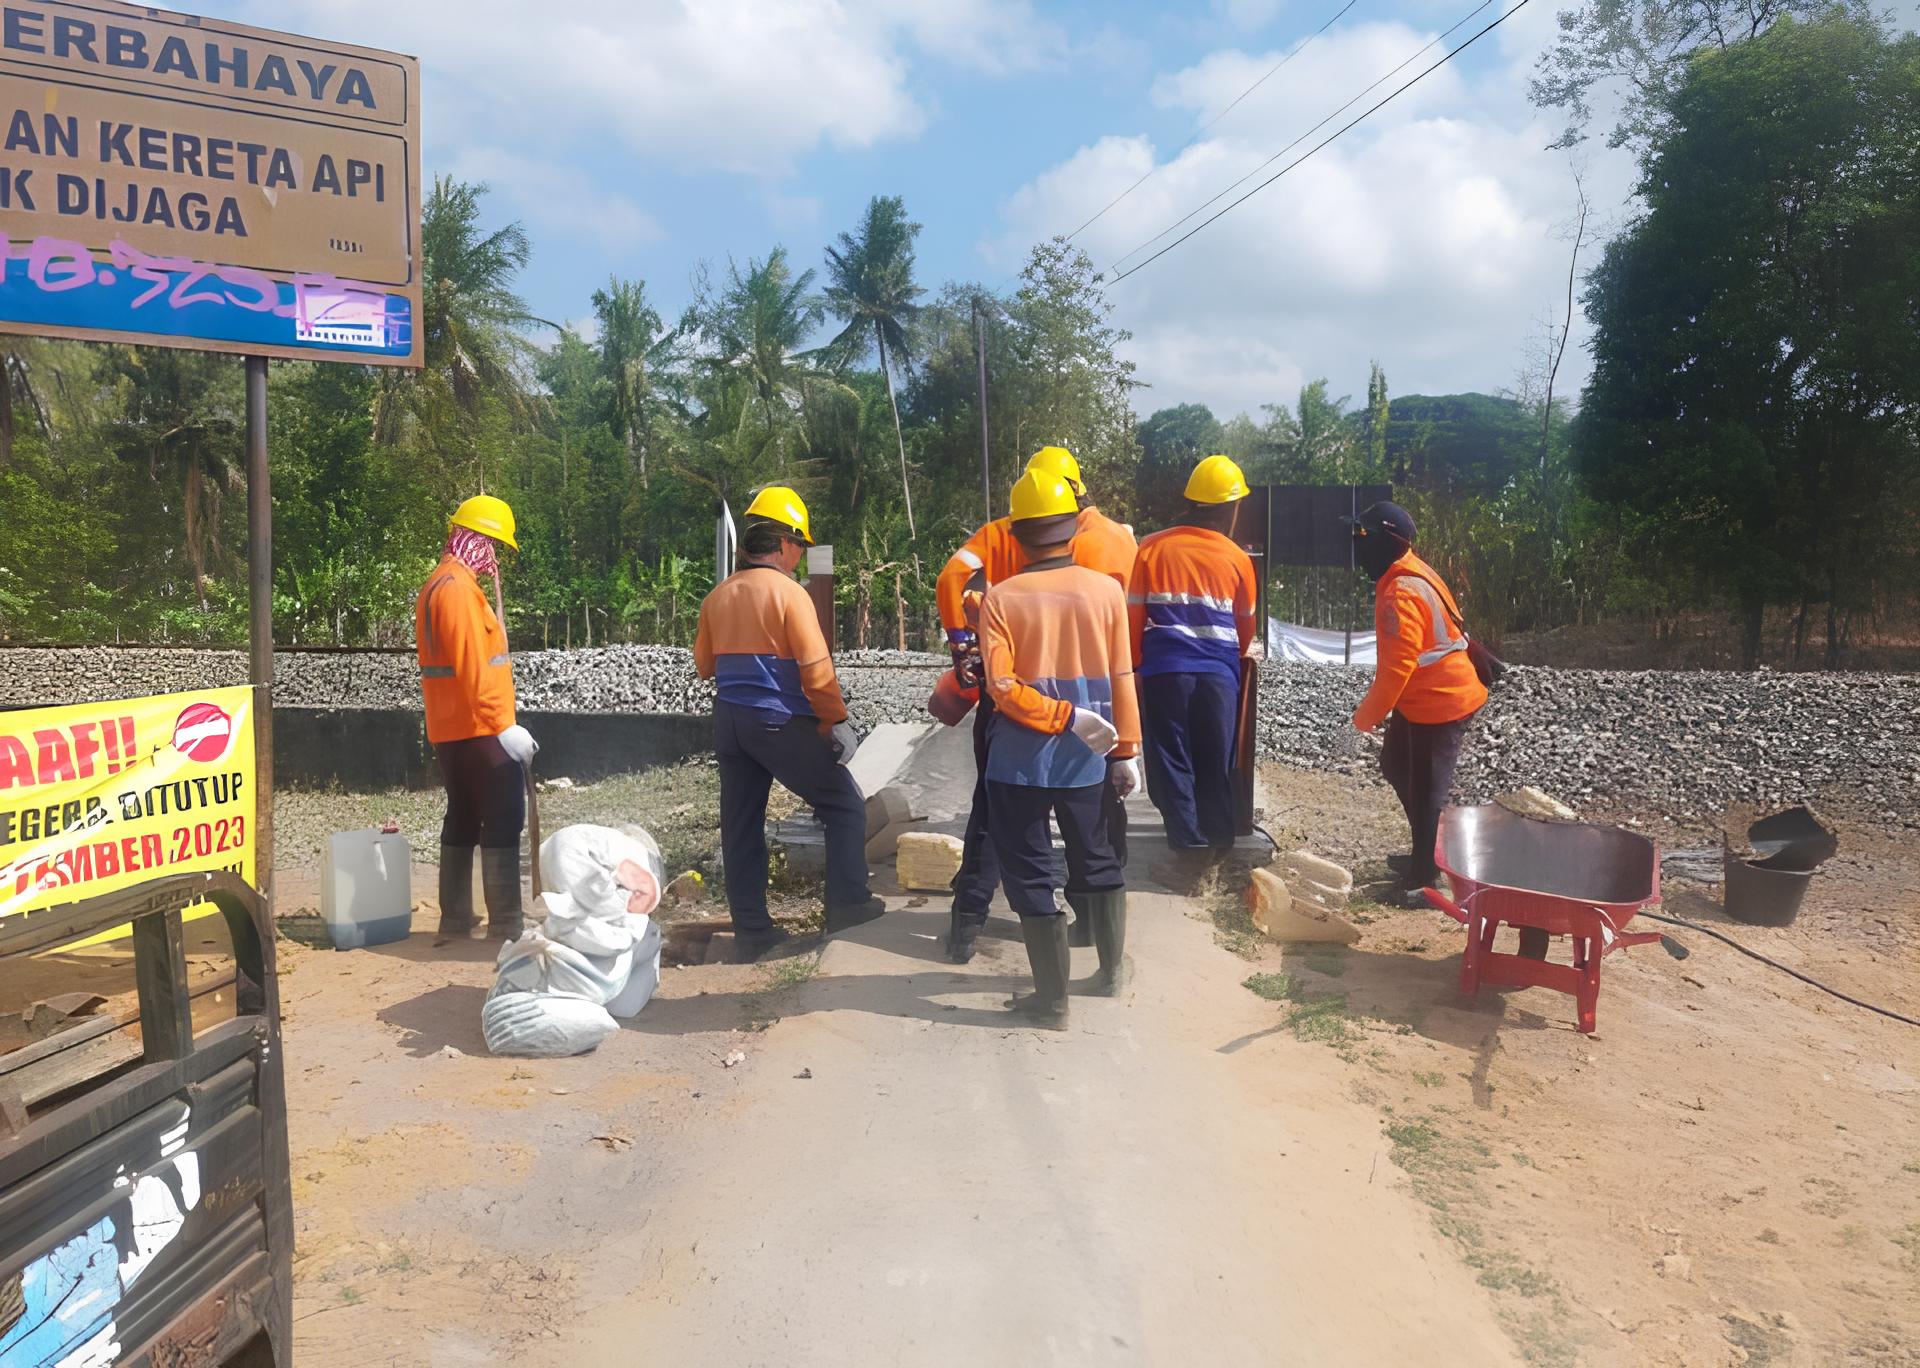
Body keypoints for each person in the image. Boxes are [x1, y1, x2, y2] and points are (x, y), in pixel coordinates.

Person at [935, 446, 1137, 963]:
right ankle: (1097, 941)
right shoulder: (1111, 544)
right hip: (1093, 721)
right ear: (1076, 503)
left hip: (1016, 717)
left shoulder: (999, 545)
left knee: (1000, 826)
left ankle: (967, 928)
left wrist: (964, 647)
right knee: (1093, 835)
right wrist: (1126, 747)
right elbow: (1122, 664)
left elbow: (952, 579)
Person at [980, 469, 1143, 1026]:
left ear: (1015, 534)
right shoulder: (1107, 592)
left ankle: (1052, 1002)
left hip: (1017, 763)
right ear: (1075, 526)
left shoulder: (999, 599)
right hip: (1088, 759)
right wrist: (1126, 750)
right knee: (1096, 856)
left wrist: (1058, 715)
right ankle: (1113, 973)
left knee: (1029, 873)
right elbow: (1123, 675)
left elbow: (1001, 688)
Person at [694, 485, 884, 961]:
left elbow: (704, 666)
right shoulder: (791, 595)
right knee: (843, 804)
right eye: (800, 545)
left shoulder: (717, 597)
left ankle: (753, 932)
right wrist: (836, 721)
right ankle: (847, 905)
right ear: (782, 543)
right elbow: (817, 672)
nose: (800, 555)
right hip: (776, 722)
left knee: (740, 825)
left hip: (730, 722)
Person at [1346, 501, 1488, 892]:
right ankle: (1427, 854)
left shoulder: (1400, 592)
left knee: (1426, 791)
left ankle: (1426, 876)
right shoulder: (1409, 570)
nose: (1357, 548)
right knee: (1396, 765)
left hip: (1441, 702)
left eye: (1362, 538)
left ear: (1384, 543)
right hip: (1423, 698)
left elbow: (1395, 672)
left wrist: (1361, 722)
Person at [1129, 455, 1259, 876]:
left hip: (1166, 671)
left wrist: (1133, 669)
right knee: (1216, 758)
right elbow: (1245, 628)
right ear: (1231, 507)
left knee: (1171, 758)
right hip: (1219, 674)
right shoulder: (1239, 559)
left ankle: (1188, 847)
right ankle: (1218, 844)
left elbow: (1134, 616)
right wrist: (1226, 665)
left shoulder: (1150, 548)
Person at [417, 494, 537, 941]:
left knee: (464, 815)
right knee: (504, 816)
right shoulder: (458, 590)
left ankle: (456, 918)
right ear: (477, 540)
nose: (494, 560)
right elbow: (471, 667)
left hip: (451, 728)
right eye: (493, 547)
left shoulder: (437, 584)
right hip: (480, 729)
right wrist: (504, 727)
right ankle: (506, 924)